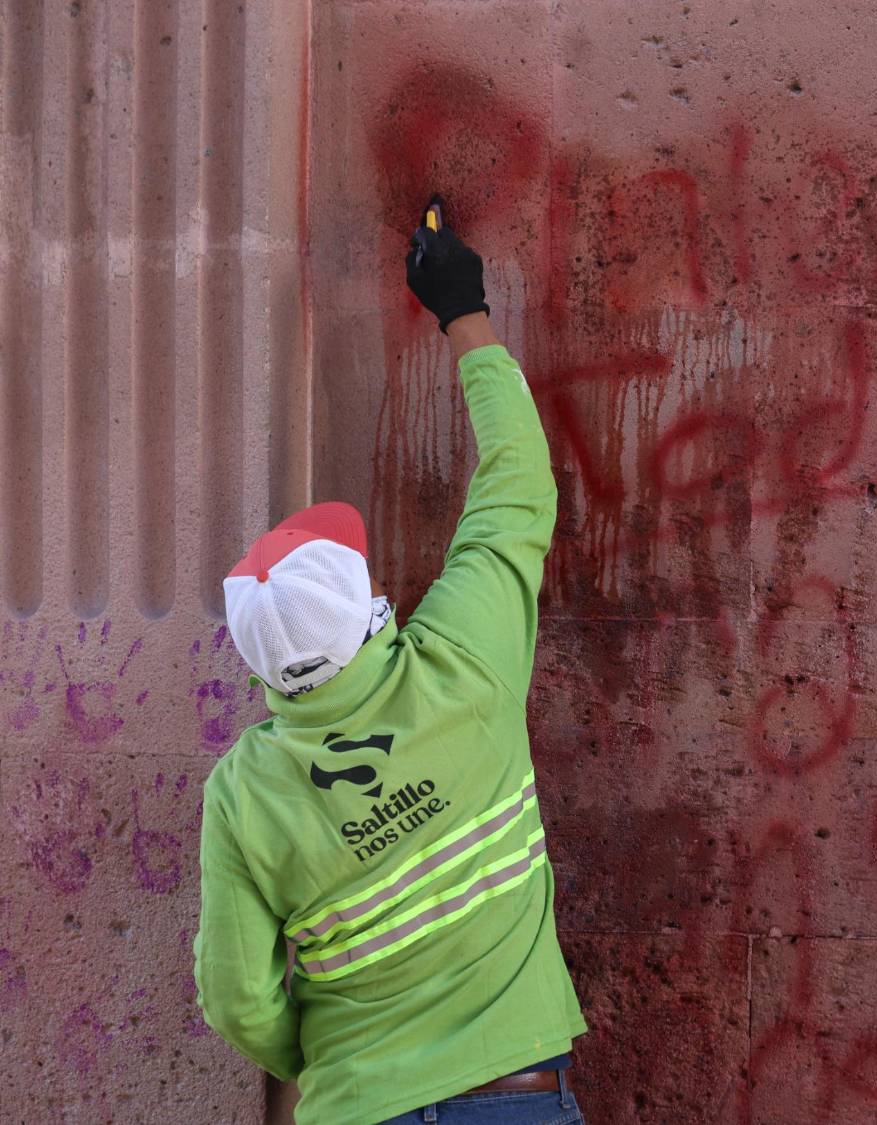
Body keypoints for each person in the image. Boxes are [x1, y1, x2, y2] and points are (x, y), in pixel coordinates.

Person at [193, 208, 587, 1125]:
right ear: (370, 612)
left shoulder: (243, 796)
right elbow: (520, 478)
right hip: (515, 1099)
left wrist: (338, 1060)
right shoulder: (464, 661)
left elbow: (236, 997)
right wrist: (463, 311)